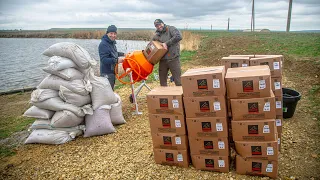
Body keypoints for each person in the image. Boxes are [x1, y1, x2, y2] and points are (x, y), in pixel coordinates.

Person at [152, 19, 182, 86]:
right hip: (162, 60)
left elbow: (178, 36)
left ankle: (181, 95)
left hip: (173, 58)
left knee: (178, 81)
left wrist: (166, 43)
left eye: (160, 24)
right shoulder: (157, 34)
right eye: (156, 26)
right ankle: (165, 96)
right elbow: (153, 44)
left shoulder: (171, 29)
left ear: (163, 23)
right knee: (162, 82)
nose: (159, 26)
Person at [99, 25, 125, 90]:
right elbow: (103, 60)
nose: (113, 35)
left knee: (111, 91)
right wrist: (116, 61)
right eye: (111, 33)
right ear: (107, 33)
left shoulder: (111, 43)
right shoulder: (103, 44)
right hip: (106, 73)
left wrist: (124, 54)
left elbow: (114, 53)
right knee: (107, 93)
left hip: (112, 72)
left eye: (114, 33)